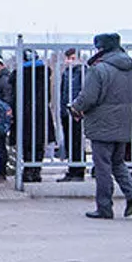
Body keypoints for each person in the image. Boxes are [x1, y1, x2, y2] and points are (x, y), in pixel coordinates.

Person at [73, 33, 132, 219]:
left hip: (102, 124)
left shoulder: (99, 70)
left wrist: (75, 107)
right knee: (117, 162)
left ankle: (104, 207)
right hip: (124, 122)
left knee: (102, 166)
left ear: (101, 48)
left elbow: (88, 97)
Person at [18, 49, 49, 183]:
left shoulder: (20, 73)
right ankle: (36, 170)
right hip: (41, 111)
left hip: (25, 112)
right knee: (39, 142)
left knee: (27, 142)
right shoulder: (44, 72)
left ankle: (28, 169)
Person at [57, 48, 86, 181]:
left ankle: (78, 170)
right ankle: (72, 169)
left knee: (76, 142)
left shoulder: (82, 72)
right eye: (68, 58)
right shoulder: (66, 73)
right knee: (69, 142)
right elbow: (63, 92)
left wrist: (79, 110)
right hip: (66, 111)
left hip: (77, 113)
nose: (70, 61)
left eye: (73, 58)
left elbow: (84, 92)